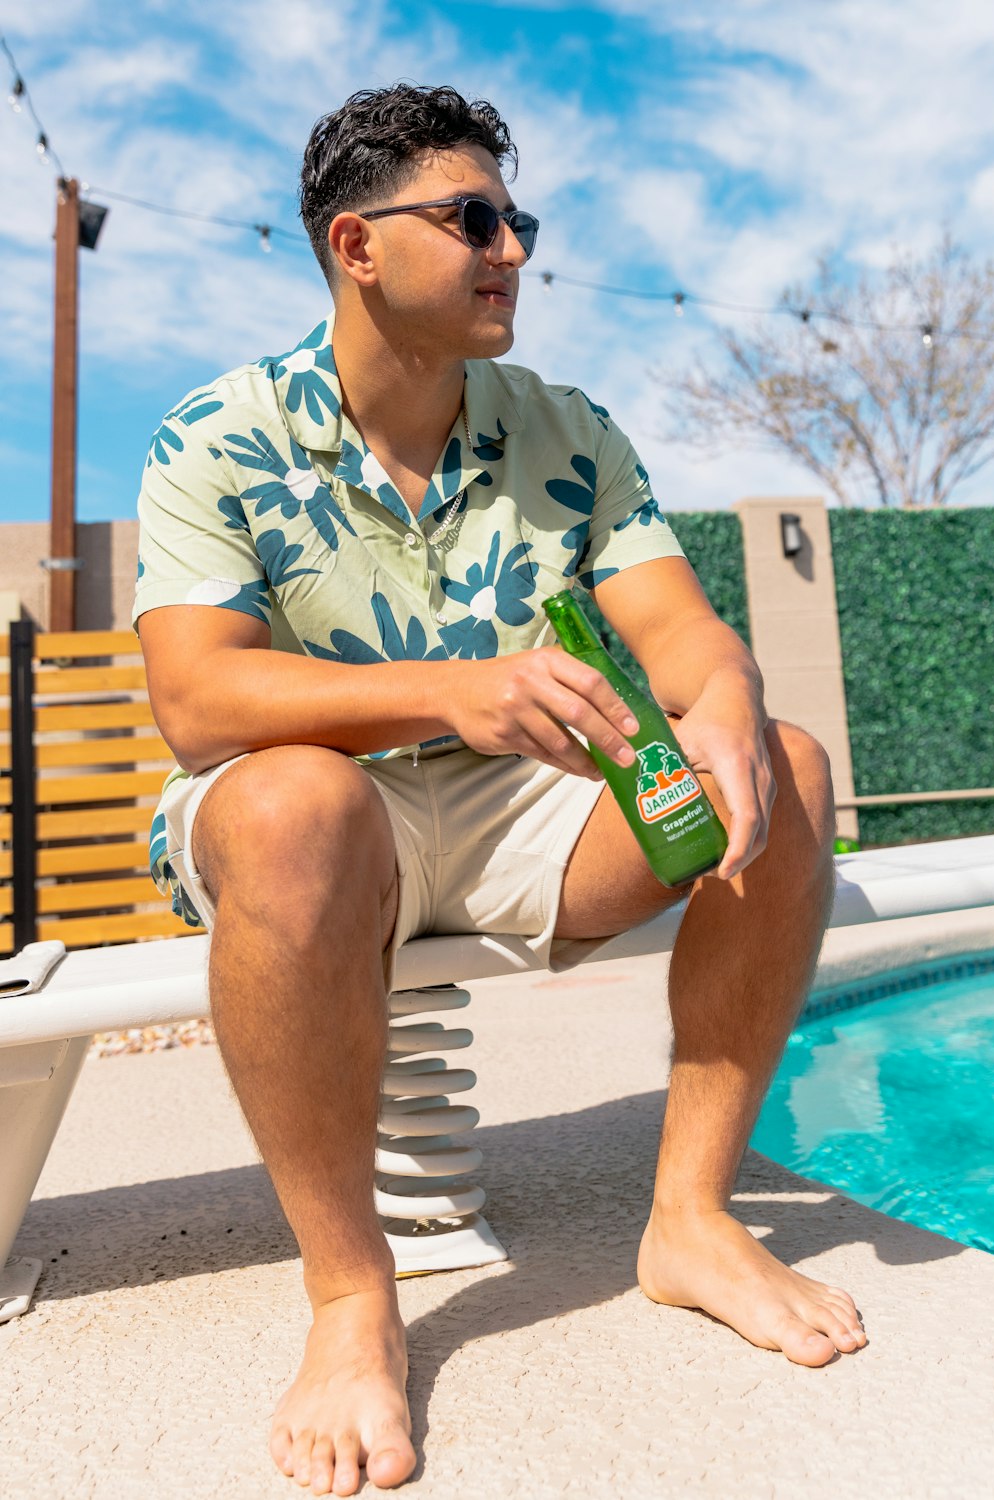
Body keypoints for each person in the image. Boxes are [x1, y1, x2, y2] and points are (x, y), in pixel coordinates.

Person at [134, 82, 865, 1499]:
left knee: (785, 765)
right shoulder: (217, 435)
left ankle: (690, 1220)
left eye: (517, 220)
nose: (514, 249)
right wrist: (448, 689)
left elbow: (684, 633)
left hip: (527, 813)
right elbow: (198, 702)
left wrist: (722, 701)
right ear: (356, 244)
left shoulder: (567, 430)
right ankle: (352, 1299)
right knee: (298, 807)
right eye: (474, 219)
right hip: (303, 818)